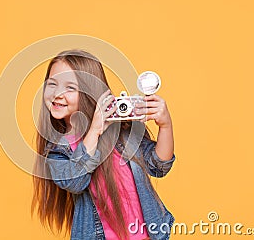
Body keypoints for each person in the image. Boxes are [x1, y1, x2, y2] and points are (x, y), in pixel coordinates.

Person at [31, 49, 176, 240]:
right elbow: (75, 181)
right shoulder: (58, 149)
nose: (57, 94)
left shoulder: (121, 132)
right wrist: (94, 130)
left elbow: (158, 166)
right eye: (52, 84)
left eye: (69, 88)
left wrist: (165, 125)